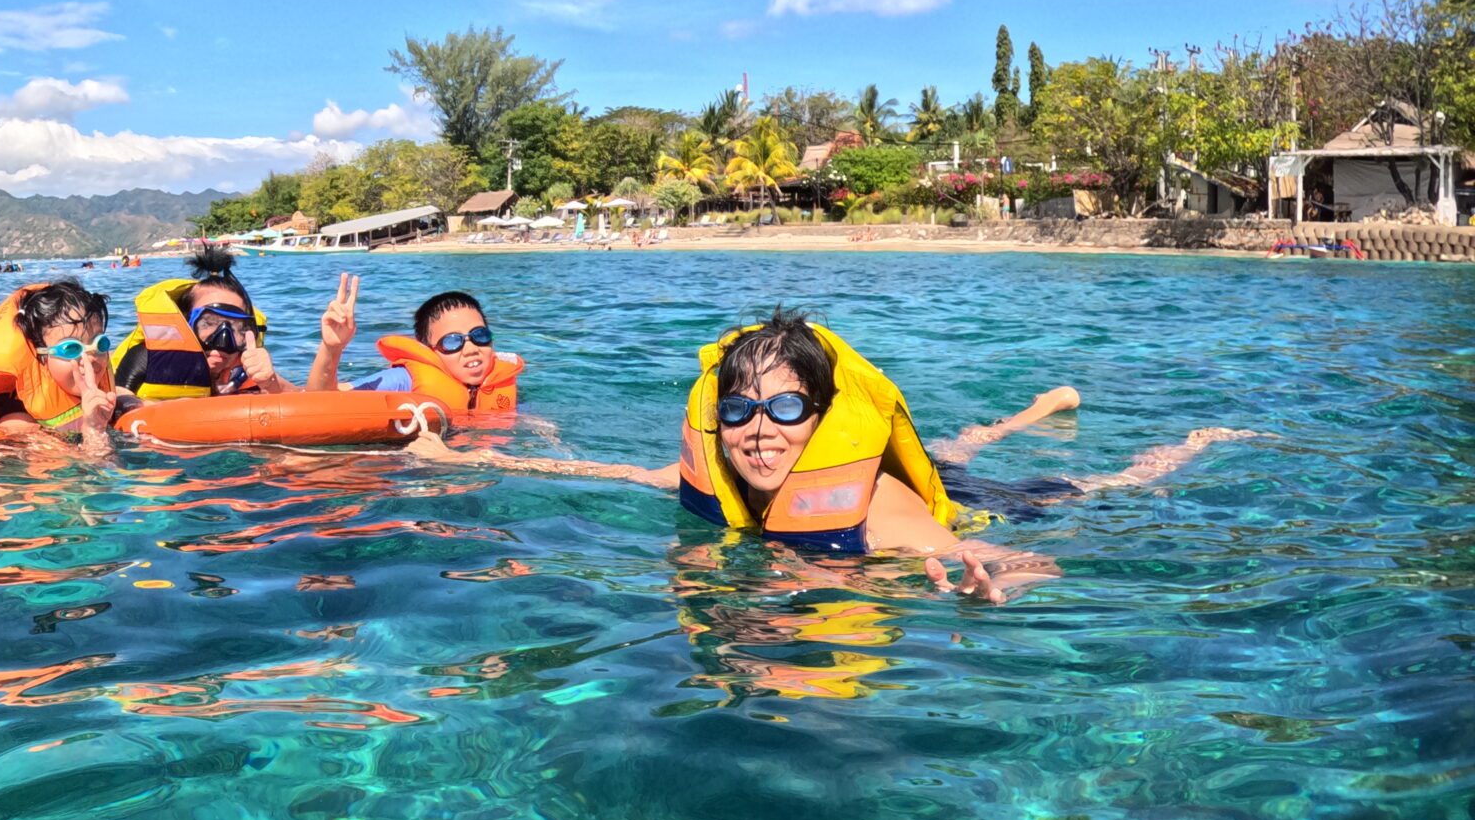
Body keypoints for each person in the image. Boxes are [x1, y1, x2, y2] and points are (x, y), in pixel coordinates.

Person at [418, 307, 1247, 601]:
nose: (758, 430)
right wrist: (459, 464)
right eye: (739, 409)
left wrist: (995, 582)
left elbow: (1013, 556)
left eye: (785, 408)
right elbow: (600, 470)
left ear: (820, 418)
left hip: (977, 500)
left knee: (1099, 486)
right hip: (907, 482)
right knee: (958, 442)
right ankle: (1035, 407)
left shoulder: (877, 507)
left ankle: (1190, 444)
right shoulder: (716, 480)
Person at [112, 244, 355, 400]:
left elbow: (312, 404)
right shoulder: (148, 358)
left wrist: (331, 348)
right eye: (208, 323)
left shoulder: (245, 371)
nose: (223, 340)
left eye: (237, 328)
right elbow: (118, 402)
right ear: (185, 322)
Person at [0, 278, 121, 455]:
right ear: (40, 357)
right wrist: (94, 430)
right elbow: (87, 477)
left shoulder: (107, 394)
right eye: (71, 348)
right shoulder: (18, 424)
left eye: (99, 344)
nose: (89, 359)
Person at [320, 284, 523, 412]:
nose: (471, 349)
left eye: (480, 335)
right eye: (452, 341)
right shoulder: (404, 380)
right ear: (429, 351)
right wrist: (331, 349)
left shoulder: (500, 381)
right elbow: (323, 401)